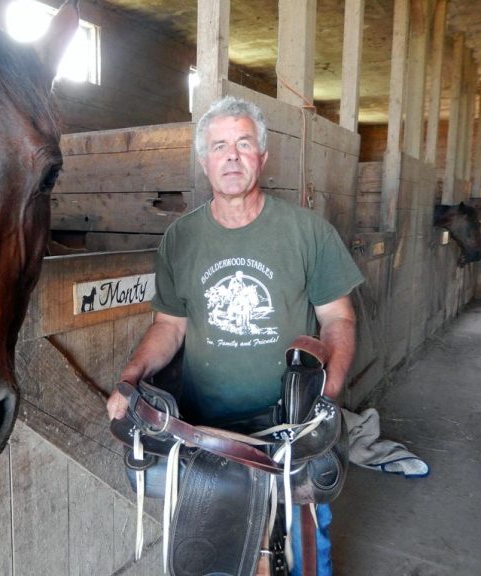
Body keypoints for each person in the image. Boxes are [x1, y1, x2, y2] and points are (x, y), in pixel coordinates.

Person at [106, 95, 364, 575]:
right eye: (220, 145)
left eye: (244, 144)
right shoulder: (180, 239)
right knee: (213, 551)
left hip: (288, 425)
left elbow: (338, 320)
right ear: (205, 161)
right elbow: (169, 325)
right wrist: (131, 375)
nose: (232, 156)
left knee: (307, 550)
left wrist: (328, 394)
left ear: (262, 158)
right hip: (204, 429)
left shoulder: (308, 232)